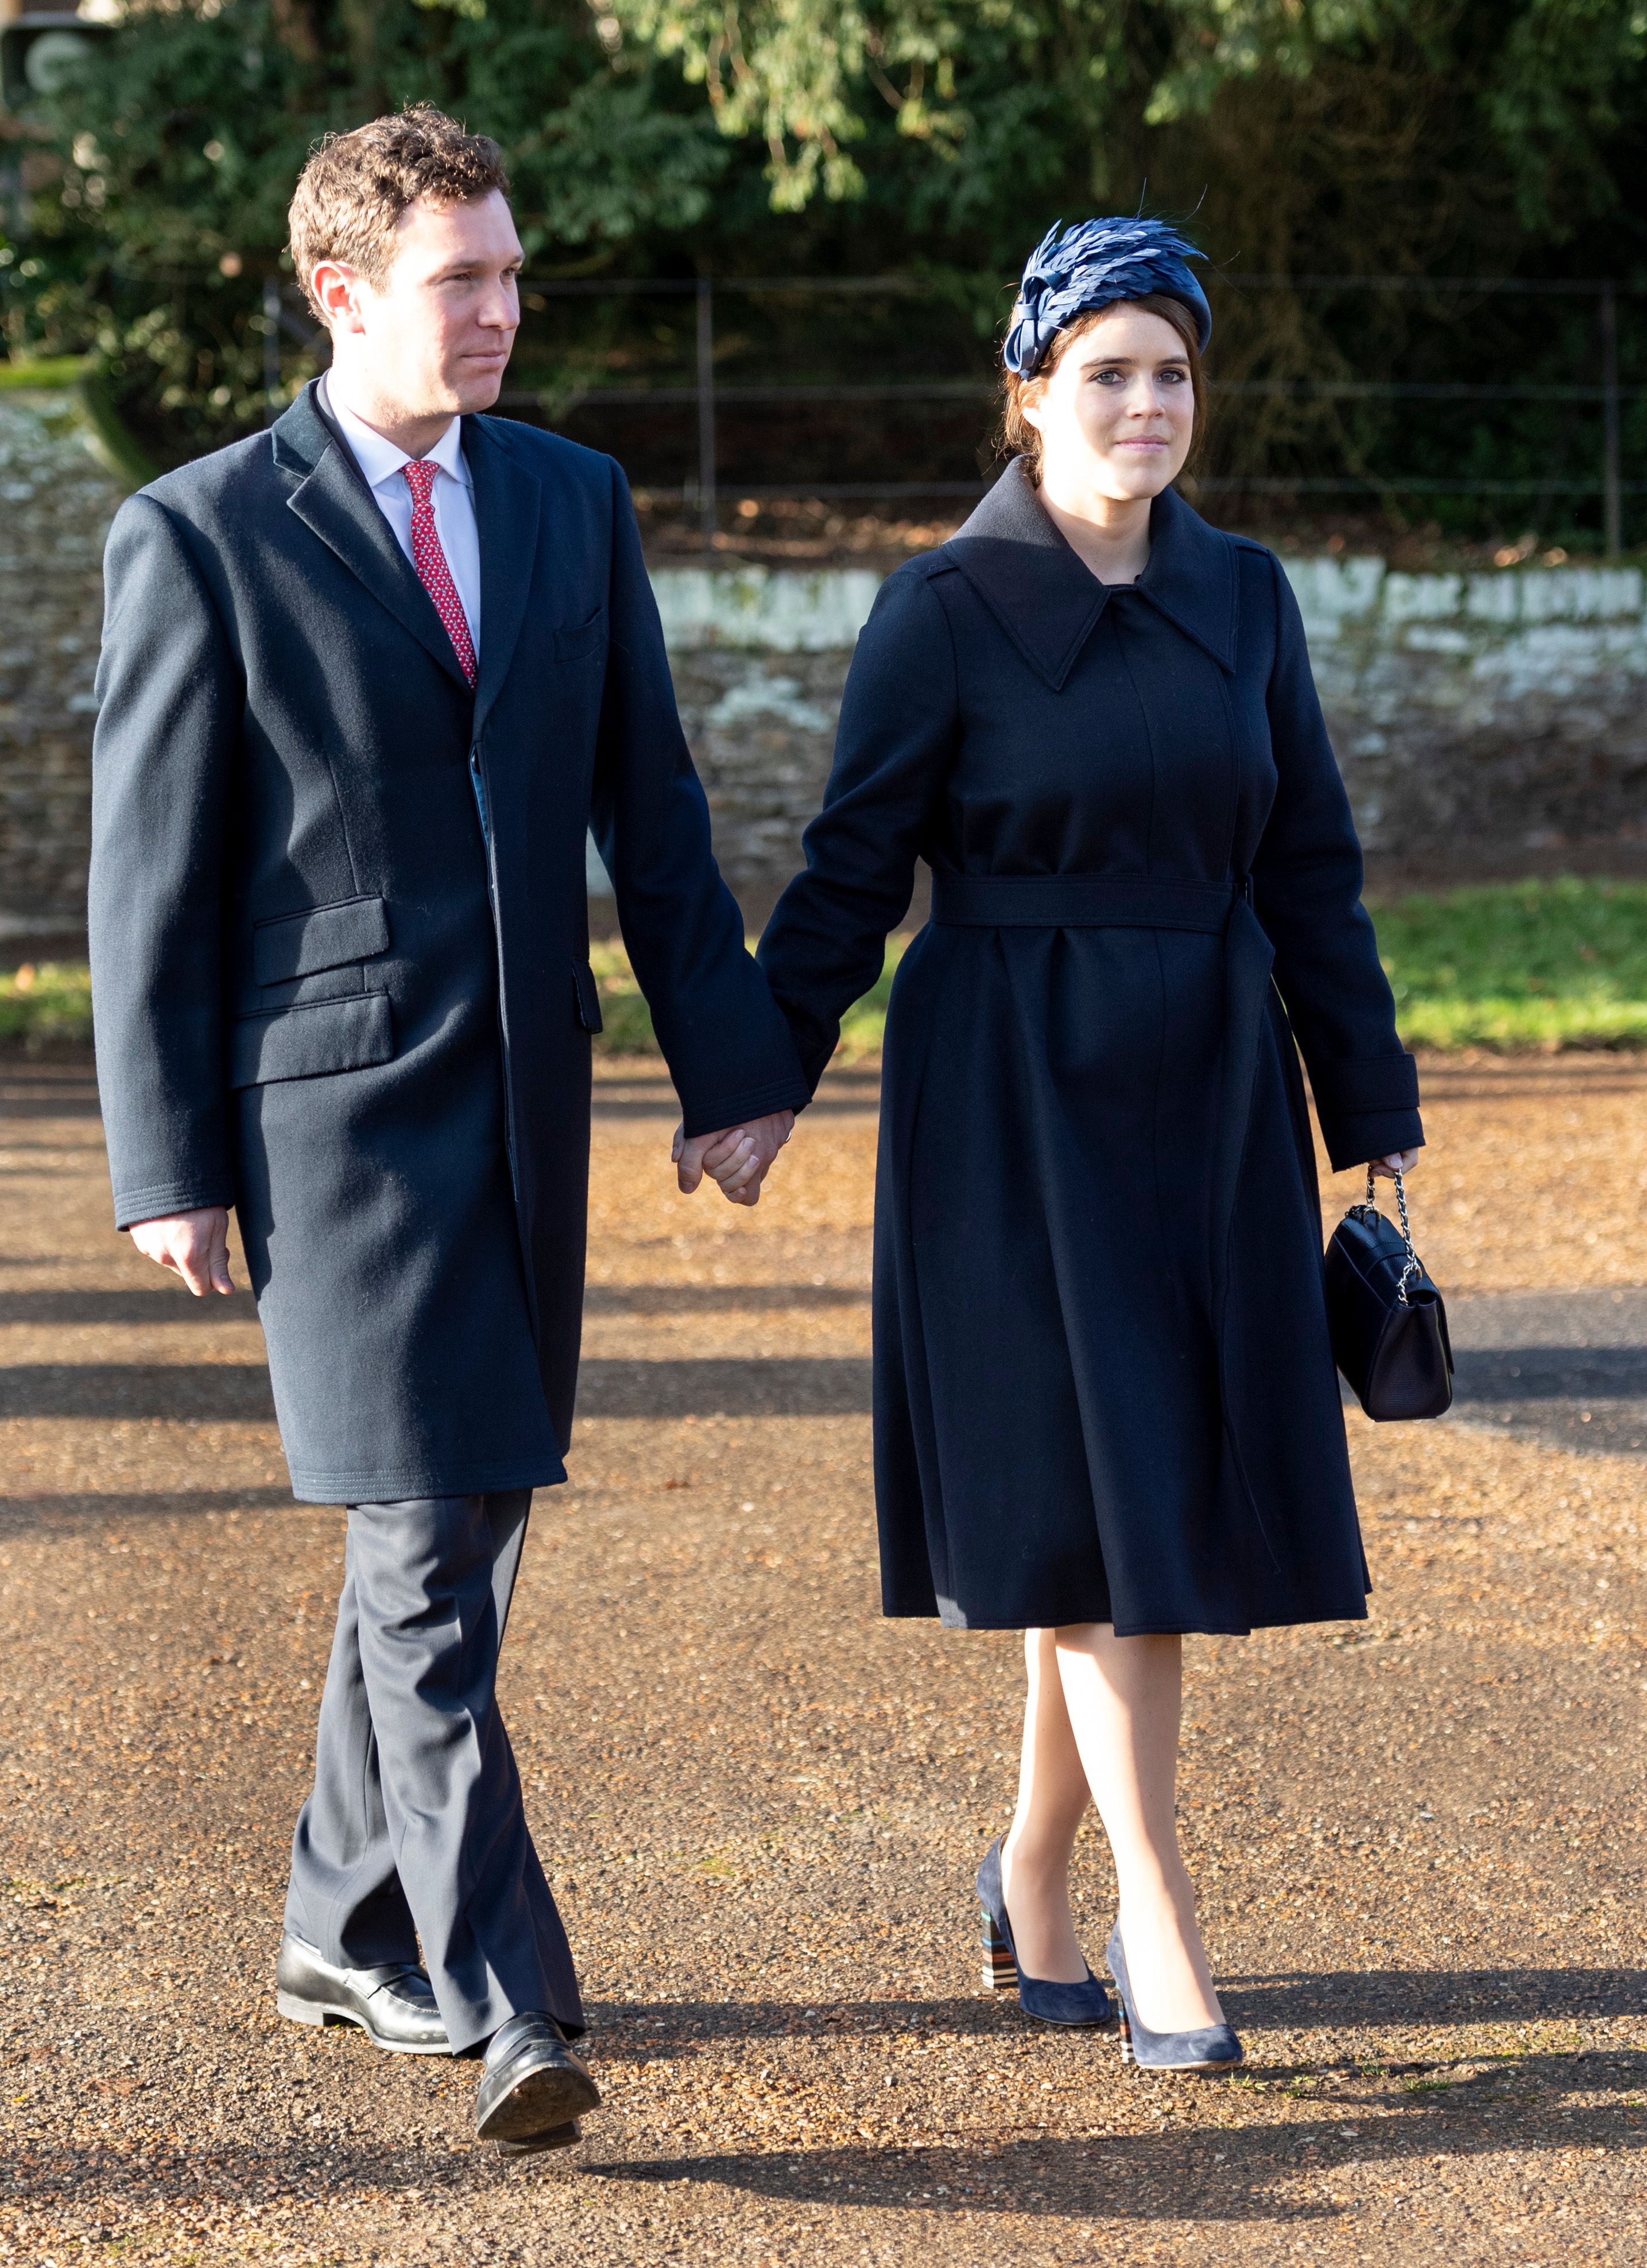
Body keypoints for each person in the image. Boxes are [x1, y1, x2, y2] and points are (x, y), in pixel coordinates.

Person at [88, 106, 806, 2150]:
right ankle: (512, 2002)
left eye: (510, 273)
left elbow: (648, 804)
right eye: (461, 280)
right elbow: (150, 868)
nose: (503, 311)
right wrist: (168, 1160)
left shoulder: (575, 502)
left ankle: (337, 1918)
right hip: (325, 1120)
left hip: (530, 1098)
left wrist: (733, 1066)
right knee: (419, 1541)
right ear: (344, 291)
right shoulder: (203, 528)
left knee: (468, 1517)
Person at [758, 216, 1423, 2072]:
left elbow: (1313, 873)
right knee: (1103, 1505)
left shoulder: (1251, 598)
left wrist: (1369, 1118)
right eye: (1109, 371)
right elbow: (849, 872)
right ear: (1029, 393)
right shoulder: (939, 612)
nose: (1148, 403)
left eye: (1176, 371)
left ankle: (1037, 1872)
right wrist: (762, 1067)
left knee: (1122, 1508)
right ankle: (1159, 1914)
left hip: (1211, 1092)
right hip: (1008, 1102)